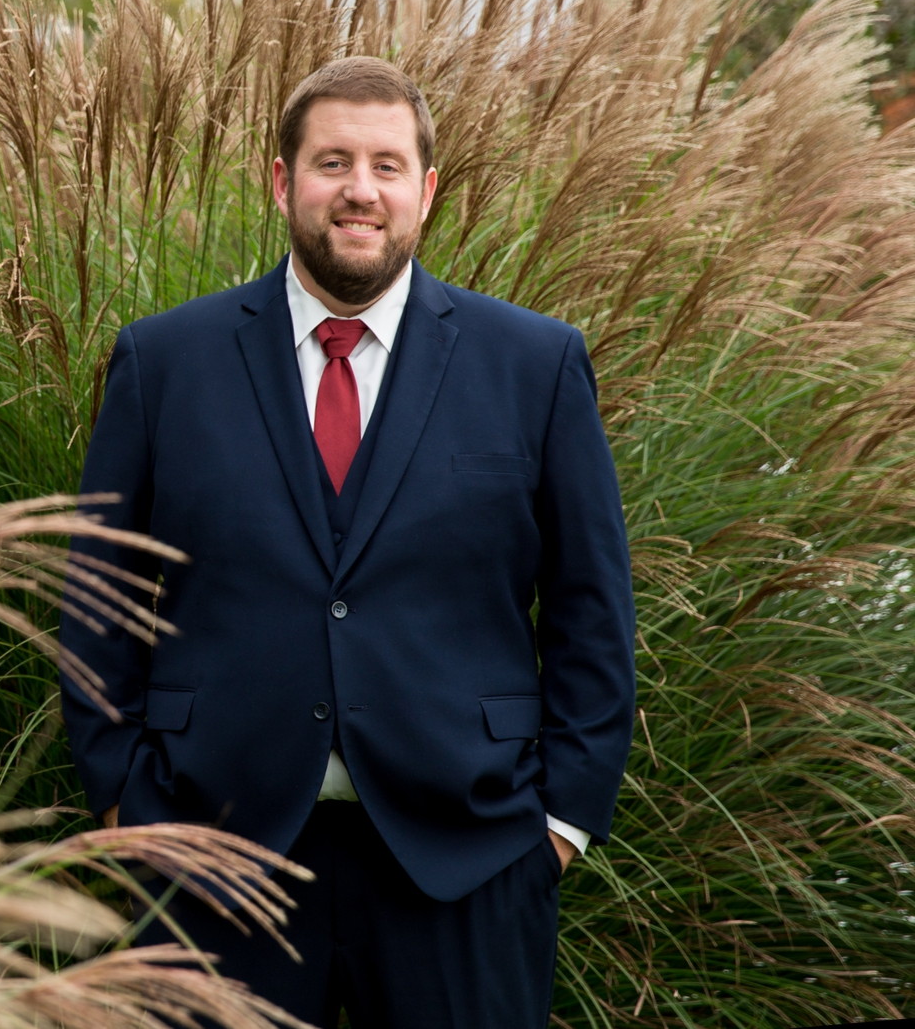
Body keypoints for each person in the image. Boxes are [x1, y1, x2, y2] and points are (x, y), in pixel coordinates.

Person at [58, 56, 636, 1028]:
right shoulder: (165, 361)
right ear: (282, 180)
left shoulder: (533, 364)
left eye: (386, 164)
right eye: (332, 161)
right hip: (213, 856)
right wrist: (126, 806)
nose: (359, 189)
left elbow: (592, 609)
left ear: (426, 190)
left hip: (471, 859)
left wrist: (558, 827)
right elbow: (97, 599)